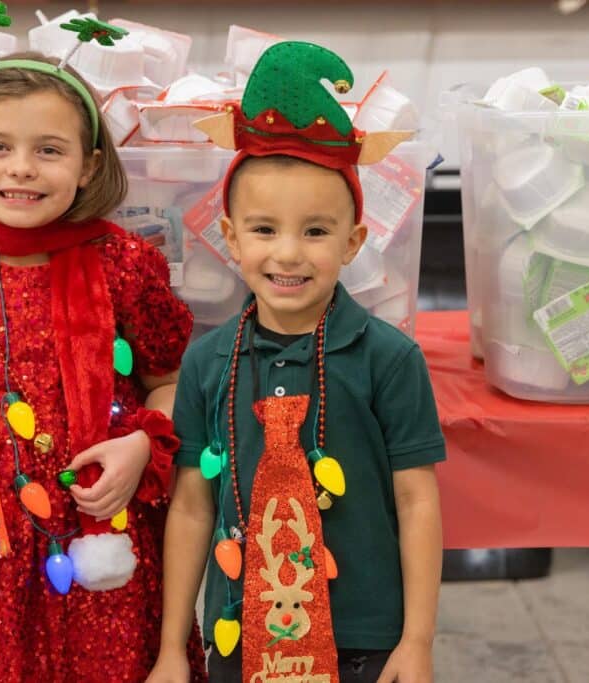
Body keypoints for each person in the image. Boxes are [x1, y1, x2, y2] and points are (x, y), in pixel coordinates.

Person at [0, 50, 205, 681]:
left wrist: (144, 441)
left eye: (49, 150)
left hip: (103, 527)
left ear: (89, 167)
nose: (21, 168)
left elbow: (169, 386)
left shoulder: (127, 264)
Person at [149, 41, 445, 683]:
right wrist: (174, 648)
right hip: (239, 629)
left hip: (362, 639)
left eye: (315, 231)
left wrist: (417, 641)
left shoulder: (390, 360)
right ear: (229, 237)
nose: (288, 254)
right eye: (263, 230)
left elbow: (418, 500)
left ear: (353, 241)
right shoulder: (206, 363)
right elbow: (194, 506)